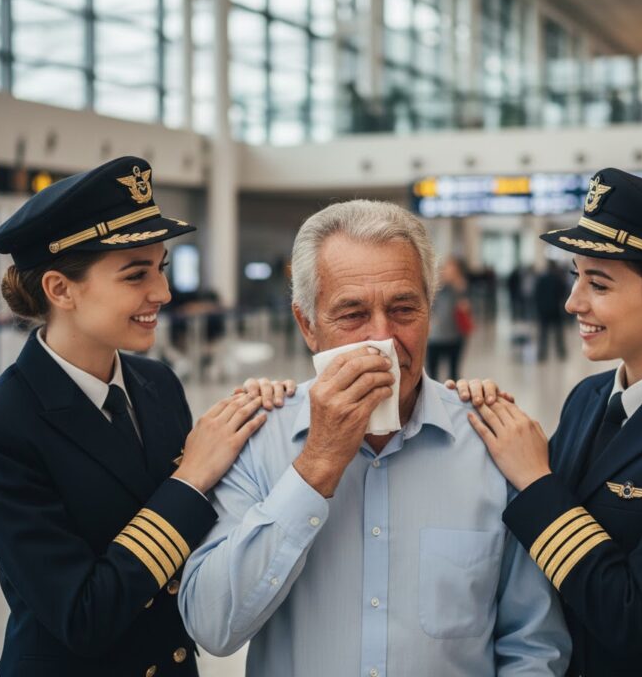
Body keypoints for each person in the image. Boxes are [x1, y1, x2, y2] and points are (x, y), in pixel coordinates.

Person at [179, 200, 571, 676]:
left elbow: (533, 644)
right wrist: (316, 465)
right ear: (307, 325)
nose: (382, 339)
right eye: (352, 314)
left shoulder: (494, 445)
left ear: (430, 309)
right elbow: (213, 627)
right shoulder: (257, 441)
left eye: (404, 309)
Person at [457, 169, 642, 677]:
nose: (574, 301)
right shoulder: (589, 397)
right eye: (576, 275)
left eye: (598, 283)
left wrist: (536, 479)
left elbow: (632, 616)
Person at [0, 156, 270, 677]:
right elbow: (82, 614)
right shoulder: (4, 423)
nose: (161, 293)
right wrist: (190, 480)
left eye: (160, 268)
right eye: (135, 274)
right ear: (59, 289)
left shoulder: (156, 384)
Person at [426, 255, 472, 380]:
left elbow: (466, 308)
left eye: (453, 269)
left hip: (455, 336)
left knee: (454, 372)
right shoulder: (434, 286)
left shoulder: (461, 287)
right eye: (447, 268)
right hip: (435, 337)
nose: (448, 272)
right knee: (432, 373)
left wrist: (459, 289)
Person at [533, 260, 568, 361]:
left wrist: (539, 308)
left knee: (543, 333)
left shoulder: (541, 279)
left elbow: (537, 294)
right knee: (558, 333)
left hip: (544, 310)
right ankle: (561, 352)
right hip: (555, 310)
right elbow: (563, 293)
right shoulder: (558, 279)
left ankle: (542, 354)